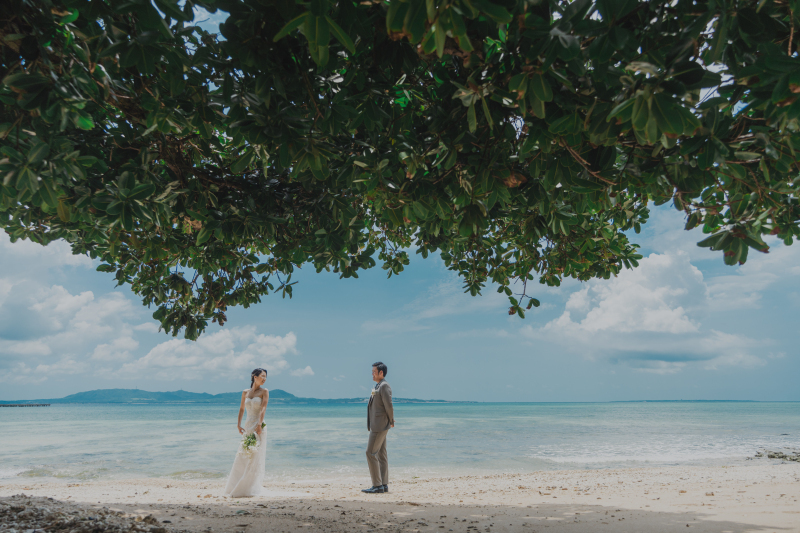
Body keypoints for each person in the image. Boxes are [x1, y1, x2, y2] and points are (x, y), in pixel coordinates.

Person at [224, 368, 269, 497]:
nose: (264, 379)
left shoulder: (264, 391)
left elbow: (263, 408)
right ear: (254, 377)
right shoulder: (245, 392)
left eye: (265, 377)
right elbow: (242, 408)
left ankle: (250, 488)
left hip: (259, 427)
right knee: (243, 455)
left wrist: (259, 424)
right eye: (262, 376)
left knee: (255, 456)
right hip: (248, 426)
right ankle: (236, 485)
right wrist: (238, 424)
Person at [362, 361, 394, 494]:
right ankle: (383, 484)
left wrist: (391, 420)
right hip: (379, 424)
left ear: (381, 373)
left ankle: (377, 485)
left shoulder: (384, 386)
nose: (372, 375)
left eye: (374, 372)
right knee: (381, 454)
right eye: (372, 372)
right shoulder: (378, 386)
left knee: (370, 453)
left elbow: (389, 405)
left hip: (379, 426)